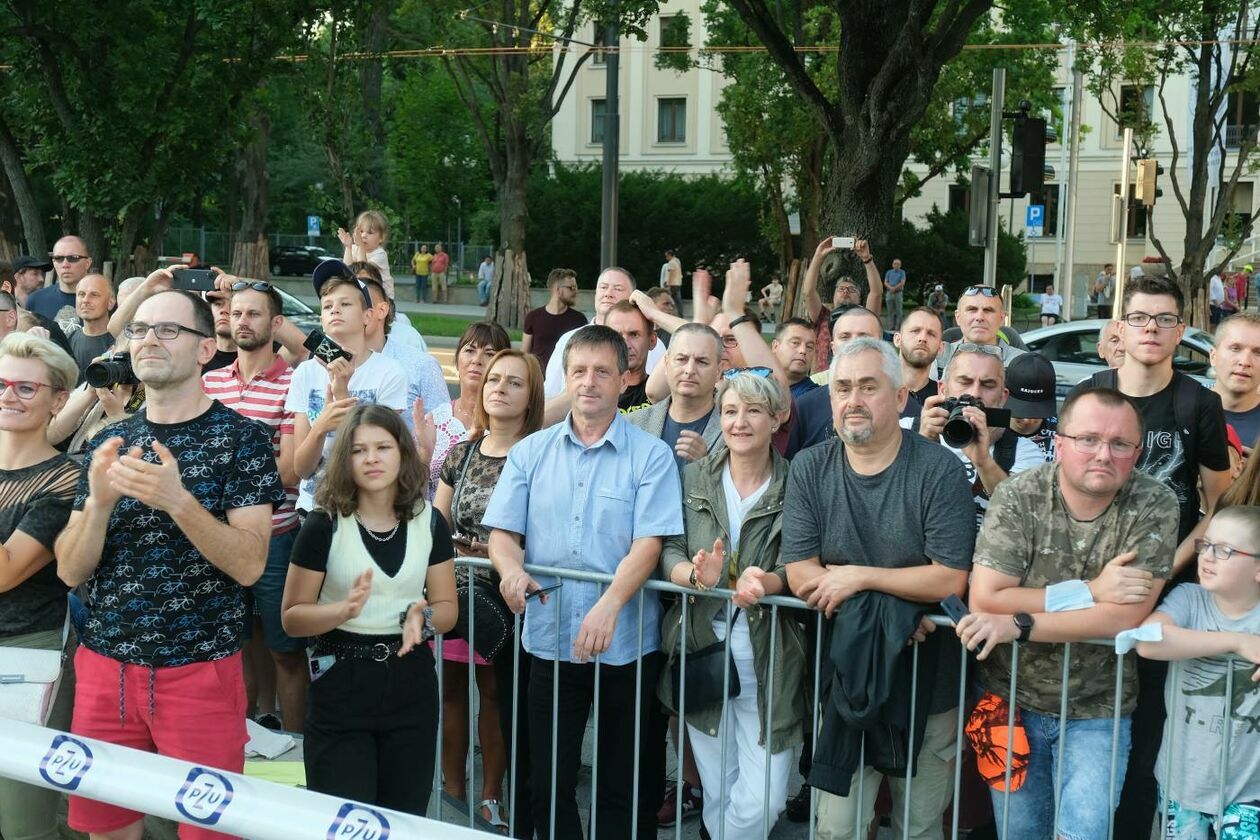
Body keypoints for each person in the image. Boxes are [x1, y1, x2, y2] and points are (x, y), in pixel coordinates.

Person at [55, 290, 284, 840]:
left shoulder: (243, 440)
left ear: (207, 348)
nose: (148, 339)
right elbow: (69, 570)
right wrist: (101, 506)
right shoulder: (109, 440)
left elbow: (252, 565)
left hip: (199, 672)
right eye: (138, 330)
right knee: (107, 830)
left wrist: (178, 501)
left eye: (167, 330)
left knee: (209, 833)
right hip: (106, 669)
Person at [484, 325, 683, 839]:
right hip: (549, 642)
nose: (589, 382)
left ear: (624, 380)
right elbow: (503, 533)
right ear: (565, 379)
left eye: (601, 372)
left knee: (625, 783)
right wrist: (509, 571)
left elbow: (650, 545)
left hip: (627, 646)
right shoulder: (530, 452)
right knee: (548, 781)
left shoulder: (651, 456)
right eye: (579, 371)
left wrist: (611, 603)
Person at [956, 386, 1178, 840]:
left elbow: (1124, 617)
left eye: (1120, 444)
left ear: (1136, 453)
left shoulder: (1154, 504)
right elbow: (987, 599)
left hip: (1099, 707)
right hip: (1010, 698)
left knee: (1084, 834)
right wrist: (1091, 591)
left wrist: (1021, 622)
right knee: (1019, 833)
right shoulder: (1019, 495)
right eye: (1089, 439)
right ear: (1060, 441)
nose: (1104, 454)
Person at [782, 337, 975, 840]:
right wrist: (897, 613)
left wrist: (859, 578)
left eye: (869, 386)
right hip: (846, 674)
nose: (853, 400)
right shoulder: (809, 468)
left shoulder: (940, 472)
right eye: (843, 388)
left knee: (918, 826)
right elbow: (801, 570)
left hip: (929, 681)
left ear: (899, 397)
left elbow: (949, 576)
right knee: (835, 829)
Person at [1073, 276, 1233, 839]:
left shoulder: (1198, 402)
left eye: (1165, 320)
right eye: (1140, 318)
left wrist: (1171, 562)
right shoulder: (1092, 389)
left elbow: (1220, 500)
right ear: (1120, 326)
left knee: (1149, 726)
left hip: (1166, 592)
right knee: (1083, 718)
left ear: (1181, 330)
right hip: (1089, 584)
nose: (1152, 329)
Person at [282, 404, 457, 815]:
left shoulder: (430, 521)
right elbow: (292, 616)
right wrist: (341, 610)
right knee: (345, 819)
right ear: (345, 459)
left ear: (402, 454)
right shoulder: (323, 524)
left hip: (410, 680)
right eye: (359, 450)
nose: (372, 458)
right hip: (339, 679)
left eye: (383, 447)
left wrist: (424, 618)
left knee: (402, 816)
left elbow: (448, 607)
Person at [658, 371, 805, 837]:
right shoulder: (693, 477)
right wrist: (695, 576)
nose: (740, 422)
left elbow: (803, 561)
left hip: (770, 654)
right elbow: (669, 550)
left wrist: (771, 581)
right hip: (703, 646)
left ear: (777, 417)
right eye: (730, 411)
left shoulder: (796, 483)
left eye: (754, 411)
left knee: (764, 797)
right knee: (719, 790)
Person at [433, 349, 545, 832]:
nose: (499, 387)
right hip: (455, 592)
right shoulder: (462, 452)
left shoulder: (540, 453)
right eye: (494, 379)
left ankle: (491, 797)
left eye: (514, 382)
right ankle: (452, 794)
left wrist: (494, 553)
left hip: (506, 597)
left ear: (530, 396)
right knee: (451, 695)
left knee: (496, 695)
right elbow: (436, 522)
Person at [201, 280, 306, 733]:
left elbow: (288, 474)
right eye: (236, 312)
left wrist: (224, 470)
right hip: (217, 536)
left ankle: (300, 753)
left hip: (277, 535)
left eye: (254, 314)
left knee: (285, 648)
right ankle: (241, 741)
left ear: (276, 323)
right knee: (233, 644)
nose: (241, 321)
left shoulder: (293, 383)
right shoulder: (210, 382)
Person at [1136, 505, 1260, 839]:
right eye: (1205, 546)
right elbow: (1148, 641)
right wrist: (1236, 642)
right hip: (1184, 785)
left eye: (1225, 551)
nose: (1207, 557)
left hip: (1250, 792)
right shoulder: (1189, 598)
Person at [0, 333, 81, 840]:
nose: (9, 395)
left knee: (22, 821)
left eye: (26, 388)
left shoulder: (65, 479)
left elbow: (6, 571)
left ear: (57, 400)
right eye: (2, 383)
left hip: (24, 656)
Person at [287, 275, 407, 514]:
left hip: (365, 510)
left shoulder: (390, 372)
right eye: (327, 306)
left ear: (367, 316)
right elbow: (301, 469)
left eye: (345, 304)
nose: (335, 311)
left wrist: (342, 393)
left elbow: (377, 455)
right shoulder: (305, 373)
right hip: (313, 509)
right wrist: (320, 427)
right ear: (321, 318)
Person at [920, 344, 1044, 530]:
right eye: (964, 381)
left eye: (987, 385)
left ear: (1003, 397)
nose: (975, 393)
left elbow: (1025, 514)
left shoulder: (1023, 452)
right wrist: (922, 444)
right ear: (942, 389)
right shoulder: (906, 430)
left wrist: (984, 461)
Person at [543, 267, 666, 398]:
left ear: (634, 297)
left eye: (618, 288)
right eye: (603, 287)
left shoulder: (656, 345)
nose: (608, 293)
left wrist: (656, 315)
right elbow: (550, 393)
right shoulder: (569, 339)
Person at [428, 321, 512, 498]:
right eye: (469, 350)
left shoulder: (512, 424)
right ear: (457, 360)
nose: (477, 360)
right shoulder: (434, 420)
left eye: (489, 353)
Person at [798, 237, 884, 373]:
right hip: (823, 384)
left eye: (852, 289)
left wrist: (867, 259)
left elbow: (876, 293)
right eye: (841, 288)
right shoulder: (822, 316)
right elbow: (808, 292)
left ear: (860, 298)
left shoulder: (866, 319)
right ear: (833, 296)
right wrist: (818, 256)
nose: (846, 291)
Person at [936, 285, 1026, 376]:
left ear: (1002, 318)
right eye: (972, 309)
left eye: (988, 310)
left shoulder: (1023, 364)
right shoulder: (934, 360)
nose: (979, 317)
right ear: (958, 317)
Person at [1211, 312, 1260, 454]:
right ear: (1213, 356)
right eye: (1235, 348)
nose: (1245, 362)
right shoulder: (1181, 411)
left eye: (1258, 353)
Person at [522, 269, 586, 371]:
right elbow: (524, 355)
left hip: (566, 380)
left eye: (576, 287)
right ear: (558, 290)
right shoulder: (533, 317)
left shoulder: (579, 320)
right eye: (571, 288)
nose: (576, 291)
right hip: (538, 379)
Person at [1004, 351, 1060, 462]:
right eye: (1019, 411)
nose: (1027, 420)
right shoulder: (989, 429)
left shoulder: (1062, 434)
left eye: (1036, 413)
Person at [28, 236, 92, 325]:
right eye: (59, 258)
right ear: (54, 262)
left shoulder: (103, 301)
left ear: (87, 263)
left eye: (73, 258)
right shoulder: (35, 300)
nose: (65, 264)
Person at [338, 209, 394, 299]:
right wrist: (348, 247)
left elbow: (362, 272)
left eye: (370, 233)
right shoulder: (355, 248)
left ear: (381, 238)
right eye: (361, 231)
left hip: (383, 300)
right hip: (365, 295)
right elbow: (347, 271)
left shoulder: (380, 254)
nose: (364, 235)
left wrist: (361, 247)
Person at [67, 274, 116, 378]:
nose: (85, 300)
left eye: (94, 295)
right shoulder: (68, 340)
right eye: (81, 294)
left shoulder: (121, 341)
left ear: (110, 302)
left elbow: (141, 392)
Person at [893, 307, 944, 405]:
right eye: (915, 331)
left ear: (940, 348)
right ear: (898, 339)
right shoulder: (874, 390)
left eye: (931, 334)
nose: (923, 338)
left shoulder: (943, 399)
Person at [772, 318, 820, 400]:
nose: (803, 350)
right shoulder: (756, 386)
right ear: (775, 346)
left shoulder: (816, 397)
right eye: (795, 343)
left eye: (809, 347)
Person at [883, 258, 906, 329]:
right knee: (890, 311)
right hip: (889, 293)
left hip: (898, 293)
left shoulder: (902, 272)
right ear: (892, 265)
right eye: (895, 263)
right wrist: (890, 288)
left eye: (898, 264)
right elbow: (885, 282)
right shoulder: (889, 272)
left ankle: (898, 327)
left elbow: (902, 282)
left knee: (899, 311)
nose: (896, 265)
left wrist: (894, 288)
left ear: (900, 265)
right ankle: (891, 326)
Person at [664, 249, 684, 314]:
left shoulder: (671, 263)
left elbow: (671, 274)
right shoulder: (677, 261)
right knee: (678, 299)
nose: (666, 258)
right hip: (678, 283)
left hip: (672, 284)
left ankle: (668, 312)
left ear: (670, 255)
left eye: (667, 256)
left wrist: (668, 284)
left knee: (668, 298)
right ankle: (680, 313)